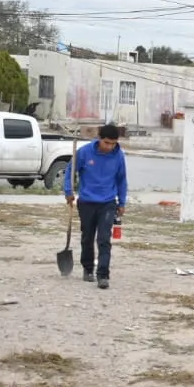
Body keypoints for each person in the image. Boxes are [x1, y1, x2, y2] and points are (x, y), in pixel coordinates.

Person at [63, 123, 128, 290]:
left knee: (104, 239)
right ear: (99, 139)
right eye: (107, 142)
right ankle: (88, 269)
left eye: (113, 143)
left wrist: (121, 202)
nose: (109, 146)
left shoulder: (118, 156)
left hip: (107, 203)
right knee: (87, 237)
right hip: (86, 202)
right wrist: (69, 191)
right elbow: (70, 171)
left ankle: (103, 275)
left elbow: (121, 180)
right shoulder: (84, 153)